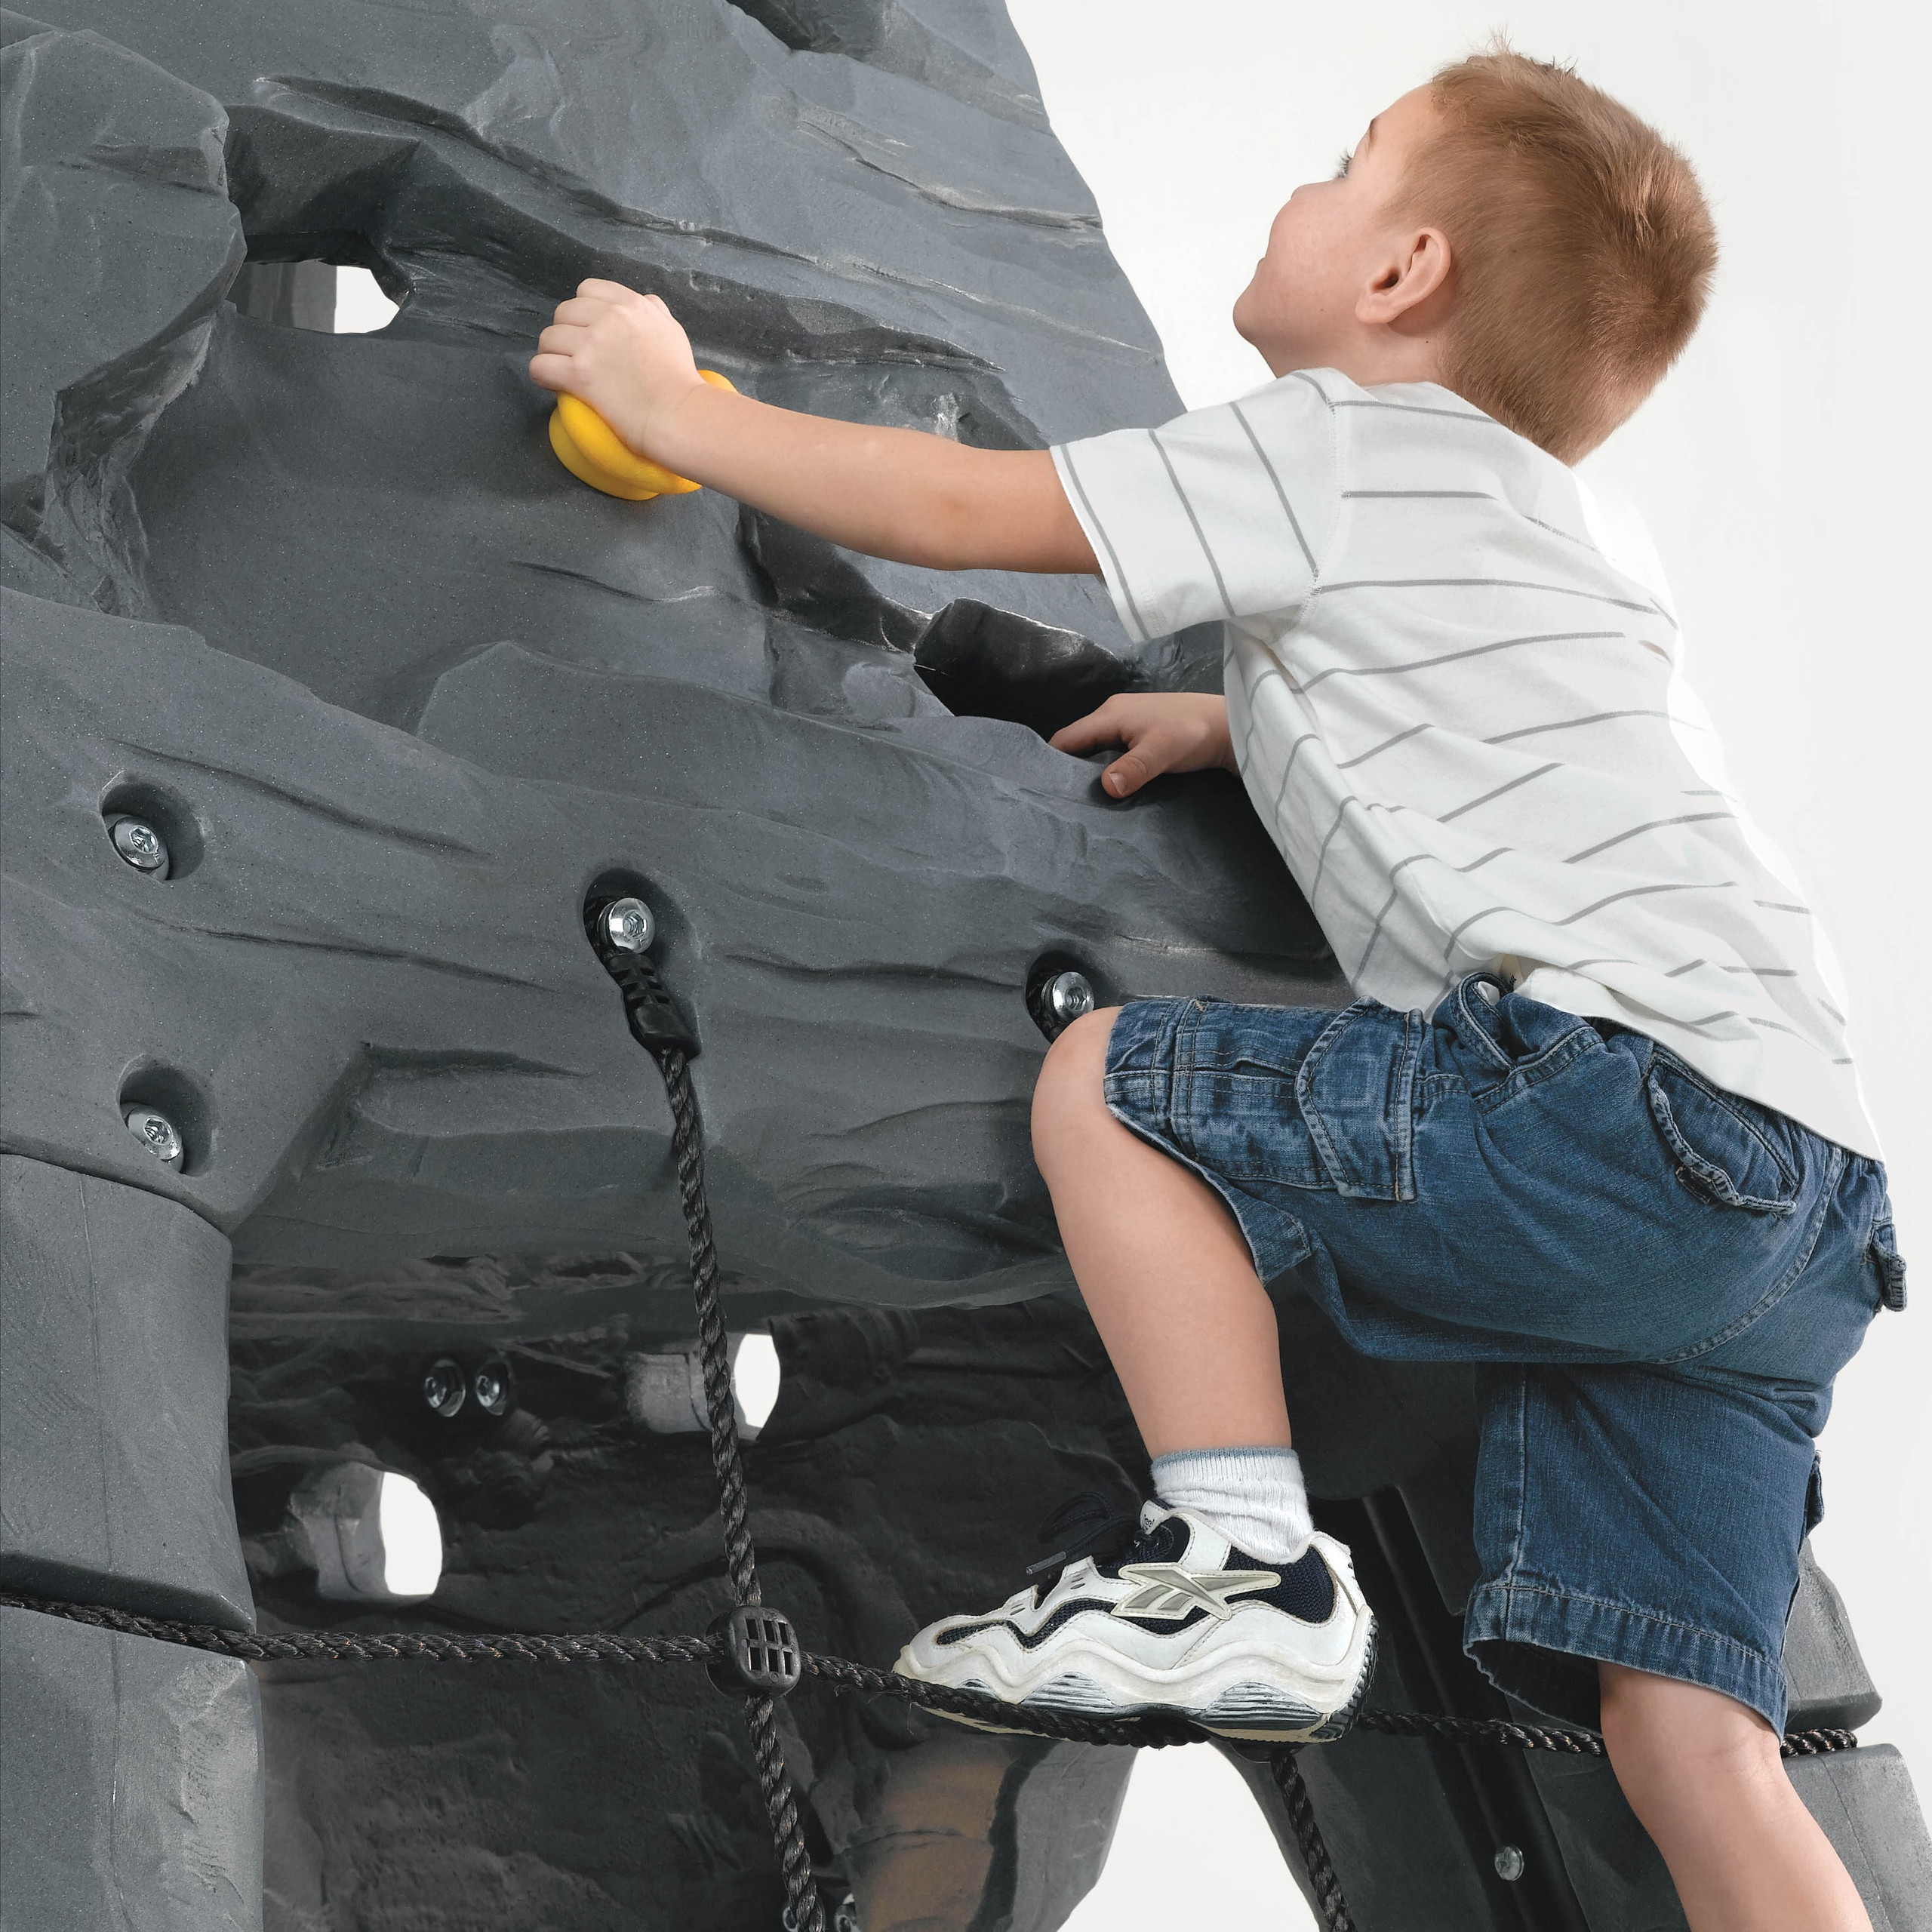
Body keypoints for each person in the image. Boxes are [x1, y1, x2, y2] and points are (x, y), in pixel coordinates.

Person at [530, 45, 1902, 1932]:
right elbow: (1501, 744)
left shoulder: (1330, 444)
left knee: (1111, 1086)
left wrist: (679, 410)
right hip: (1800, 1189)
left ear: (1402, 272)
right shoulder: (1566, 530)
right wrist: (1238, 721)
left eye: (1347, 164)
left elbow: (955, 502)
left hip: (1616, 1111)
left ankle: (1238, 1554)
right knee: (1688, 1741)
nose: (1305, 188)